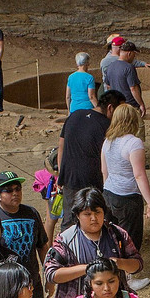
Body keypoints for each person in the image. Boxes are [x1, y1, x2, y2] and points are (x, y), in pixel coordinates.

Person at [44, 188, 143, 298]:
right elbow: (51, 273)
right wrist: (88, 269)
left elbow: (137, 264)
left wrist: (119, 263)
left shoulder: (117, 235)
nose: (93, 218)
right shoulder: (66, 239)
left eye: (97, 212)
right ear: (77, 215)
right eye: (87, 214)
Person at [102, 103, 150, 290]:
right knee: (129, 238)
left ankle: (112, 274)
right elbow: (139, 174)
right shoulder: (133, 142)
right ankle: (129, 278)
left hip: (109, 193)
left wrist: (107, 192)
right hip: (127, 197)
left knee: (111, 236)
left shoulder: (108, 141)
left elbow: (104, 171)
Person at [57, 90, 125, 231]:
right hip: (94, 181)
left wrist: (61, 173)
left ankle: (64, 251)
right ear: (110, 108)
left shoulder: (74, 115)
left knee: (69, 220)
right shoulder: (107, 126)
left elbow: (61, 146)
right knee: (96, 219)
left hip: (69, 177)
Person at [109, 42, 147, 135]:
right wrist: (141, 104)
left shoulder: (111, 66)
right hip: (130, 105)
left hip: (117, 105)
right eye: (134, 54)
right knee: (137, 130)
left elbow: (108, 85)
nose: (134, 57)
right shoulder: (129, 68)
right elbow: (133, 88)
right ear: (129, 53)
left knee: (121, 130)